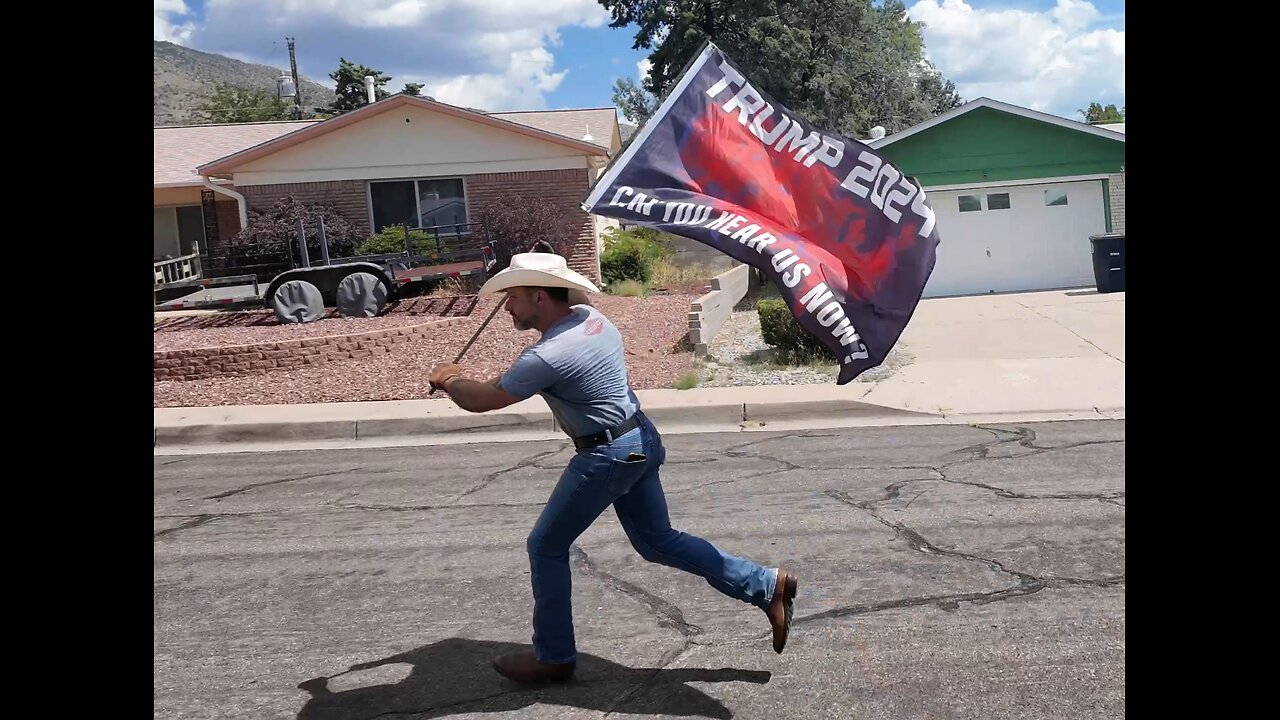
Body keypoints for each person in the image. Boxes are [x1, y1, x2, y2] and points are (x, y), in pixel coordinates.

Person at [428, 251, 798, 684]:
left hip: (606, 456)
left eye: (513, 295)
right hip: (640, 437)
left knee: (545, 546)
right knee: (659, 541)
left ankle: (553, 657)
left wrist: (449, 378)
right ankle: (765, 584)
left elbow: (482, 399)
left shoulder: (546, 356)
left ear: (540, 297)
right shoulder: (590, 318)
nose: (508, 305)